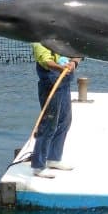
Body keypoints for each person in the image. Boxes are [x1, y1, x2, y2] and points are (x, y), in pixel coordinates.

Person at [30, 42, 80, 178]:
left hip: (64, 84)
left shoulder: (62, 37)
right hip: (50, 85)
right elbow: (46, 61)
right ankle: (38, 166)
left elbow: (78, 52)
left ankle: (54, 158)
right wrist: (60, 67)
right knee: (49, 124)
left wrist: (73, 63)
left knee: (65, 121)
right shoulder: (39, 41)